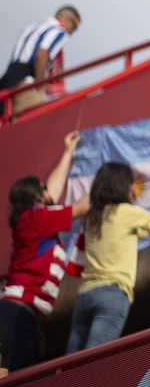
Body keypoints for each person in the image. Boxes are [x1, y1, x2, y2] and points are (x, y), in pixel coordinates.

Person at [67, 162, 150, 353]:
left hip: (85, 295)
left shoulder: (93, 217)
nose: (133, 187)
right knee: (92, 362)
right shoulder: (127, 212)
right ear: (122, 185)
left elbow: (147, 227)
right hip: (112, 293)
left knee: (68, 365)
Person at [1, 131, 88, 370]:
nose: (50, 194)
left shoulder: (30, 221)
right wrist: (104, 179)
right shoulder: (38, 219)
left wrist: (67, 152)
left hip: (12, 311)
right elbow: (82, 207)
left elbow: (53, 189)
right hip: (18, 314)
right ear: (37, 197)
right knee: (15, 384)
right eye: (44, 191)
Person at [2, 6, 81, 106]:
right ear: (68, 20)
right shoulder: (59, 31)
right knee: (31, 119)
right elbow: (42, 53)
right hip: (28, 81)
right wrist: (39, 83)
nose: (72, 33)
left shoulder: (30, 28)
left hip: (9, 77)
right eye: (74, 28)